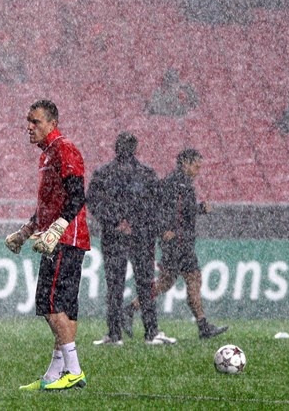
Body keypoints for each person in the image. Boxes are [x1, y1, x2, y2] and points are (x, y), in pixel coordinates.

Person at [4, 99, 90, 391]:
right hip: (61, 238)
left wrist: (59, 227)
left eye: (35, 121)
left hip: (65, 240)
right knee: (65, 308)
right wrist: (26, 231)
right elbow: (48, 206)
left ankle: (75, 372)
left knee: (51, 306)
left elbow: (77, 196)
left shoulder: (64, 149)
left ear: (52, 124)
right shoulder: (47, 155)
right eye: (28, 120)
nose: (28, 126)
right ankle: (55, 375)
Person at [124, 149, 229, 340]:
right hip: (177, 242)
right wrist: (165, 229)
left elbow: (177, 210)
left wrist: (198, 210)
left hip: (179, 242)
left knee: (169, 281)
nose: (198, 169)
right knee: (190, 279)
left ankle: (131, 308)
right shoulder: (177, 184)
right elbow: (164, 209)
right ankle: (203, 326)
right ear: (185, 163)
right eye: (196, 165)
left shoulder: (179, 183)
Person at [87, 132, 176, 346]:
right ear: (136, 149)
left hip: (114, 236)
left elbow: (92, 202)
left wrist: (116, 222)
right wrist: (138, 224)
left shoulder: (103, 173)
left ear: (115, 148)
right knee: (145, 284)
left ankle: (114, 334)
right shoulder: (146, 173)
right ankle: (151, 332)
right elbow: (156, 205)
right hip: (142, 237)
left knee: (115, 286)